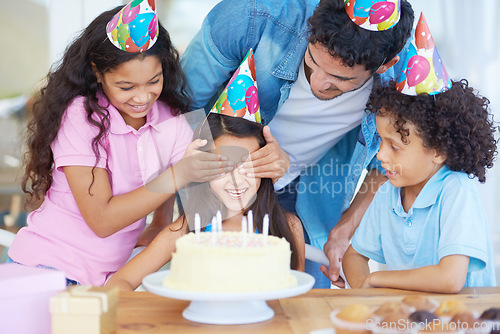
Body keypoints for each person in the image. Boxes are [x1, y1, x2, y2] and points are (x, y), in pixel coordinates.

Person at [178, 0, 414, 287]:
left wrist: (345, 230)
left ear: (386, 64)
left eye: (339, 79)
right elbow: (178, 112)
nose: (317, 83)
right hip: (218, 177)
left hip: (311, 193)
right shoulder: (251, 16)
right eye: (312, 61)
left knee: (302, 301)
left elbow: (392, 164)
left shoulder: (406, 76)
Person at [8, 1, 232, 286]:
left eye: (154, 81)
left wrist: (162, 221)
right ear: (98, 73)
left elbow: (212, 193)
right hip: (43, 271)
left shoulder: (171, 119)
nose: (142, 98)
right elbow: (101, 220)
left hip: (103, 283)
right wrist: (178, 175)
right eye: (126, 87)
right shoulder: (81, 116)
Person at [341, 14, 498, 290]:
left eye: (395, 146)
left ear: (438, 150)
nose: (381, 155)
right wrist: (367, 298)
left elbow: (449, 279)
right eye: (380, 141)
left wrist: (376, 280)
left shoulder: (456, 191)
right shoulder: (388, 193)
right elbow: (353, 257)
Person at [106, 113, 306, 291]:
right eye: (223, 167)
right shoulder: (188, 229)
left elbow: (293, 299)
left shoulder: (287, 226)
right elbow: (120, 282)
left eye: (249, 167)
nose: (237, 180)